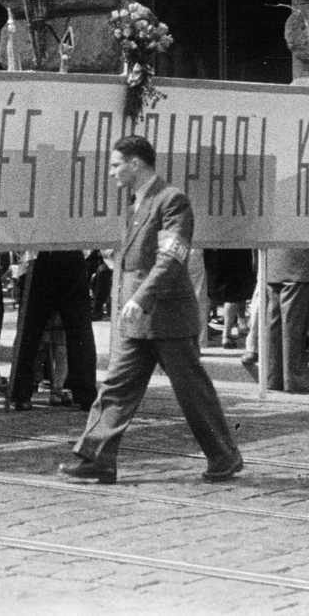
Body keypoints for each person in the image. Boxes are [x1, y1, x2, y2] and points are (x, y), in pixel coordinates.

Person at [60, 136, 242, 485]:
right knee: (115, 387)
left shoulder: (171, 201)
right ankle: (96, 457)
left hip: (166, 316)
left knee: (192, 391)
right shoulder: (136, 204)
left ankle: (224, 454)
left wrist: (141, 297)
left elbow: (172, 257)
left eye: (116, 165)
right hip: (137, 321)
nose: (111, 172)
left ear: (136, 164)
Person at [8, 249, 98, 411]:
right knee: (80, 330)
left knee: (30, 330)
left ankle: (21, 393)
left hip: (42, 256)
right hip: (71, 253)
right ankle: (86, 395)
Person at [257, 248, 309, 392]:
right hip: (298, 263)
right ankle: (297, 378)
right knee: (294, 325)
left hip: (273, 263)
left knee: (274, 322)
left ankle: (273, 377)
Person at [203, 249, 254, 349]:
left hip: (213, 250)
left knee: (210, 292)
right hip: (237, 250)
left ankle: (204, 328)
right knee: (233, 293)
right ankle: (226, 335)